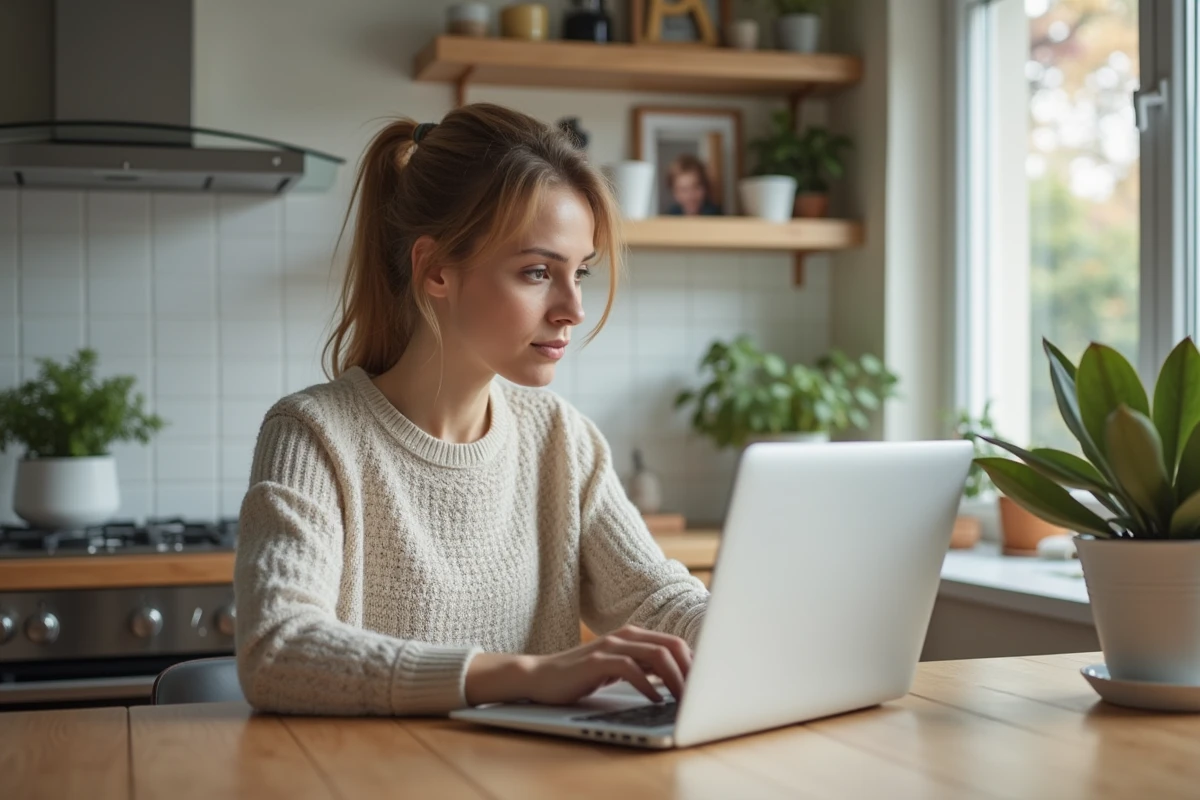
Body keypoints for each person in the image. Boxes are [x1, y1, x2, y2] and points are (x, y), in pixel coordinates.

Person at [234, 103, 709, 717]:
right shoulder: (314, 436)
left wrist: (764, 635)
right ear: (435, 271)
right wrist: (525, 674)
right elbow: (279, 650)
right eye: (538, 271)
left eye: (581, 273)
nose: (573, 309)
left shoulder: (564, 441)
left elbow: (661, 602)